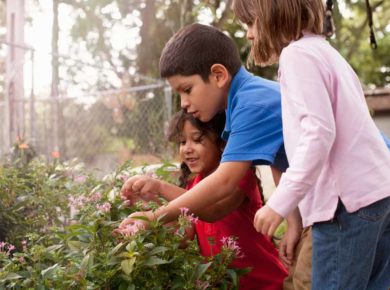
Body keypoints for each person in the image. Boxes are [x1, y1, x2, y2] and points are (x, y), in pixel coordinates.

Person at [118, 23, 303, 285]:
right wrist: (294, 221)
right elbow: (282, 162)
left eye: (187, 89)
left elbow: (224, 184)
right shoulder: (243, 102)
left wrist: (153, 217)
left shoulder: (251, 103)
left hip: (352, 199)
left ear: (218, 75)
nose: (183, 103)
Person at [231, 1, 390, 290]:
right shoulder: (325, 51)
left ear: (271, 16)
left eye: (250, 24)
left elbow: (319, 133)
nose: (249, 35)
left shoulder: (297, 56)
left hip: (345, 205)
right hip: (378, 195)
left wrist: (280, 203)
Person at [119, 110, 288, 289]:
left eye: (198, 140)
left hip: (265, 282)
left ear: (222, 143)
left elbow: (213, 210)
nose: (187, 148)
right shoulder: (195, 186)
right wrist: (145, 211)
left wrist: (160, 187)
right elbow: (185, 234)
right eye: (183, 142)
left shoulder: (240, 176)